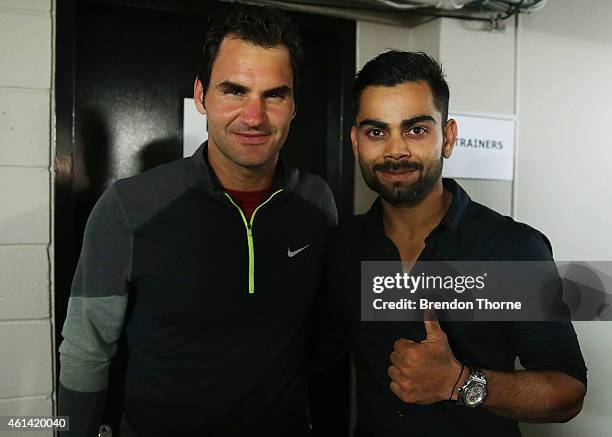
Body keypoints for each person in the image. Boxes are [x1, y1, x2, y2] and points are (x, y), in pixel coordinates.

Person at [58, 5, 337, 436]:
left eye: (274, 94)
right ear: (202, 96)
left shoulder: (318, 203)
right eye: (234, 90)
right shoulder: (128, 208)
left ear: (294, 104)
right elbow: (86, 351)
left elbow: (323, 341)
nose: (254, 116)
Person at [319, 51, 587, 436]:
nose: (396, 150)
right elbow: (317, 362)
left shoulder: (514, 250)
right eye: (376, 131)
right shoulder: (343, 248)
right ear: (355, 142)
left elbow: (568, 394)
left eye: (416, 130)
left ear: (447, 138)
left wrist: (459, 382)